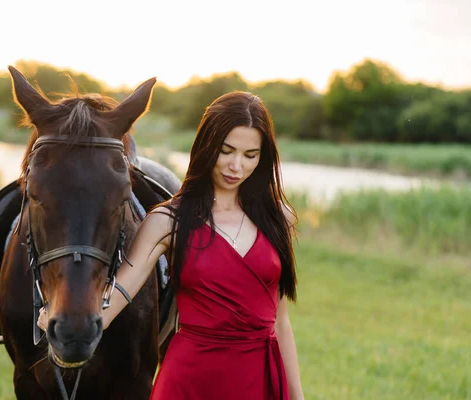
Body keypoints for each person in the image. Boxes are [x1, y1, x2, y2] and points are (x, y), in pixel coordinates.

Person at [39, 91, 304, 399]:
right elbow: (121, 292)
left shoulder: (278, 218)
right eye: (226, 150)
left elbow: (281, 322)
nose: (236, 166)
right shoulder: (168, 220)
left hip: (259, 376)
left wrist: (296, 396)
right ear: (207, 147)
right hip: (190, 378)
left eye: (250, 155)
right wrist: (67, 318)